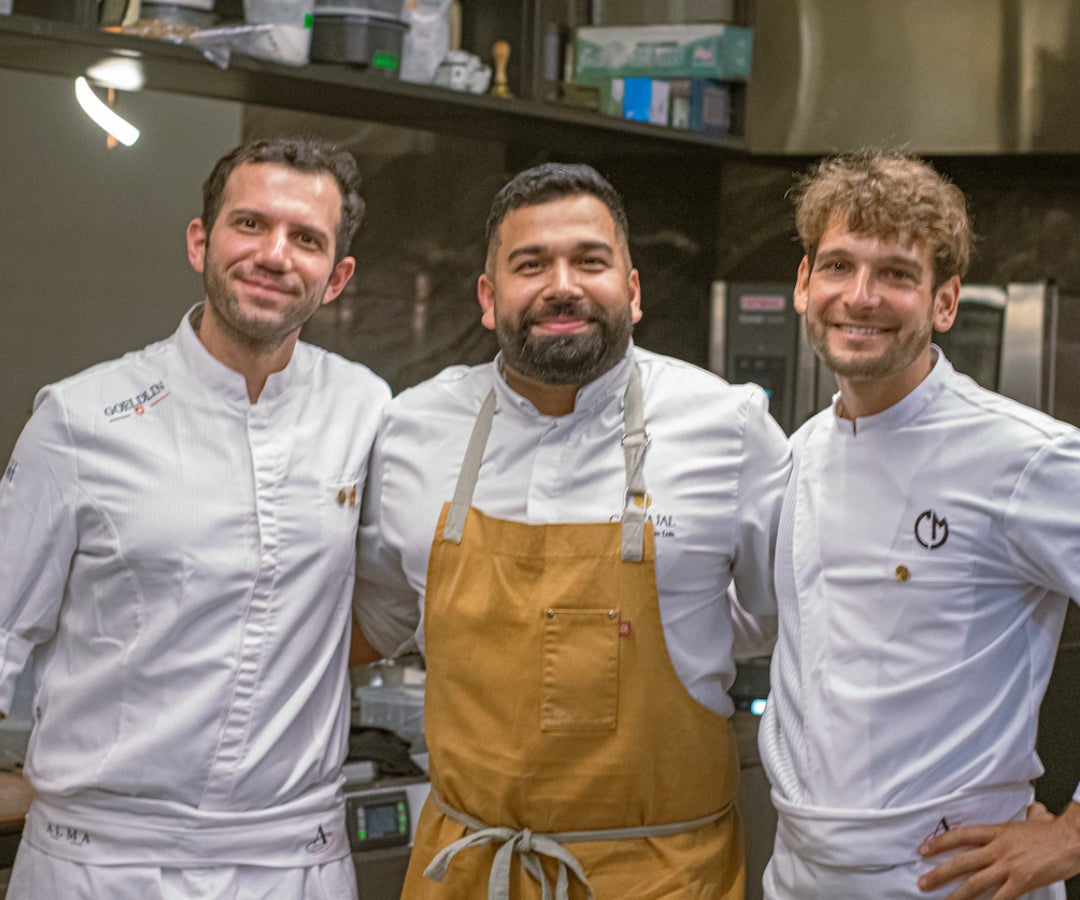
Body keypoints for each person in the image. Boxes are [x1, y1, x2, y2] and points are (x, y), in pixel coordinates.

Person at [352, 161, 791, 898]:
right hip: (469, 869)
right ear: (489, 299)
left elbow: (792, 619)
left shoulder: (730, 426)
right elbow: (384, 613)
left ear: (634, 289)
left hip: (659, 876)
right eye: (531, 265)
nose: (563, 285)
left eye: (591, 261)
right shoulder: (412, 428)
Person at [0, 136, 392, 899]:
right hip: (100, 862)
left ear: (337, 276)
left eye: (306, 239)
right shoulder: (82, 418)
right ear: (199, 241)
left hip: (294, 862)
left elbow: (396, 597)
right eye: (250, 224)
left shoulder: (369, 411)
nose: (274, 255)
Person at [758, 148, 1080, 899]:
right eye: (838, 266)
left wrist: (1069, 836)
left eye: (897, 274)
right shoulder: (802, 452)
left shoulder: (1023, 457)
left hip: (952, 879)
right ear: (805, 285)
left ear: (945, 302)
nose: (860, 296)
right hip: (801, 873)